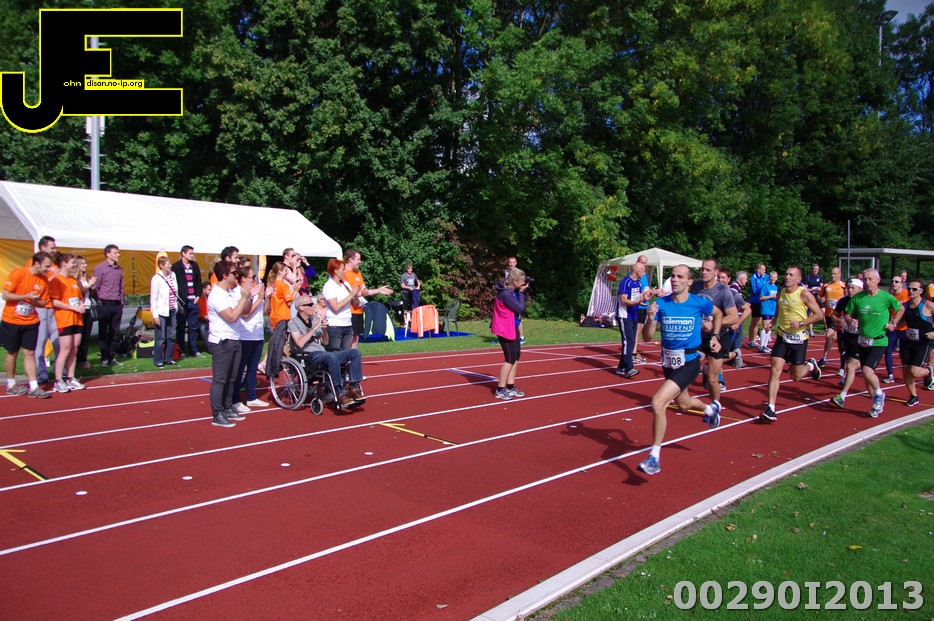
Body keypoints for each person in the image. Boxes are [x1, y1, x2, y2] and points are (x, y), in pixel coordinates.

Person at [637, 264, 724, 476]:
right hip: (669, 362)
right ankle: (711, 410)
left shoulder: (699, 302)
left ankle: (654, 457)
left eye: (680, 277)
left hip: (690, 361)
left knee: (658, 403)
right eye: (673, 276)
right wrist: (650, 319)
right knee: (683, 404)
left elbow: (719, 314)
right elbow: (647, 338)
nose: (675, 280)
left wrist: (715, 336)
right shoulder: (661, 304)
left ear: (689, 282)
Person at [831, 269, 901, 418]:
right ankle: (876, 404)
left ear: (878, 280)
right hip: (862, 340)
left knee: (867, 370)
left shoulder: (886, 297)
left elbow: (900, 308)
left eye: (870, 279)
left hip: (879, 340)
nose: (867, 282)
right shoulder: (858, 298)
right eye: (865, 279)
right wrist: (849, 320)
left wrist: (893, 322)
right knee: (866, 374)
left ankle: (879, 394)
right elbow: (847, 314)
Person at [759, 266, 823, 423]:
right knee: (775, 371)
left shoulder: (804, 294)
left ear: (798, 279)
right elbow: (779, 310)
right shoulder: (781, 292)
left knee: (796, 377)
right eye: (786, 274)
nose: (787, 277)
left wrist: (801, 323)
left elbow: (819, 315)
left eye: (791, 275)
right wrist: (773, 322)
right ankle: (771, 408)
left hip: (799, 338)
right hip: (782, 336)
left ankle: (811, 365)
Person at [288, 294, 365, 407]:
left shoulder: (314, 319)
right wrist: (314, 328)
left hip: (322, 352)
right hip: (308, 355)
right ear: (301, 308)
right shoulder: (293, 323)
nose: (313, 306)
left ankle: (352, 388)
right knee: (331, 356)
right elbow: (299, 343)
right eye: (310, 304)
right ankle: (339, 392)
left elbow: (325, 342)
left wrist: (324, 330)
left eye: (313, 304)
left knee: (355, 353)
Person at [206, 261, 256, 428]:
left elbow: (245, 311)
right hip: (222, 340)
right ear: (225, 275)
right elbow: (232, 316)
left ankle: (227, 407)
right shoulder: (217, 295)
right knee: (220, 379)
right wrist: (243, 297)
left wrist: (247, 295)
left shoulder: (229, 293)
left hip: (234, 338)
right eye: (234, 273)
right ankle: (217, 413)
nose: (236, 275)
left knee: (232, 378)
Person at [2, 252, 53, 398]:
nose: (49, 269)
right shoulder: (19, 273)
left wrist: (34, 301)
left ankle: (34, 386)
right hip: (12, 320)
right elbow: (6, 295)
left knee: (30, 352)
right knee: (12, 352)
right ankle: (11, 384)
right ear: (36, 264)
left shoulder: (43, 280)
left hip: (31, 321)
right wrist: (25, 296)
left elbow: (44, 302)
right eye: (46, 266)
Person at [691, 258, 738, 404]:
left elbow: (734, 317)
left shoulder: (723, 291)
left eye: (708, 270)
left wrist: (713, 323)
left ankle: (715, 405)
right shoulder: (696, 287)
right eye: (702, 269)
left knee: (712, 378)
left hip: (717, 337)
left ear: (716, 272)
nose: (704, 272)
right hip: (698, 336)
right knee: (688, 366)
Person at [47, 253, 86, 393]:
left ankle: (71, 377)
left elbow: (78, 298)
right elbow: (54, 301)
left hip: (77, 318)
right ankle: (58, 380)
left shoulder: (73, 280)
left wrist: (80, 306)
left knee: (74, 348)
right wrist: (72, 307)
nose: (75, 265)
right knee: (65, 349)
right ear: (64, 263)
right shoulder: (56, 280)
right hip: (64, 319)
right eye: (72, 263)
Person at [232, 265, 269, 413]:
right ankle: (235, 400)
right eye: (252, 277)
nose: (254, 280)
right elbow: (245, 314)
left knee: (253, 368)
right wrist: (258, 298)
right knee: (240, 368)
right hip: (245, 334)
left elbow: (265, 311)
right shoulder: (237, 293)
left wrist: (266, 297)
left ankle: (252, 396)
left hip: (257, 334)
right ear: (243, 279)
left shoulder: (255, 291)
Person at [892, 279, 934, 406]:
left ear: (921, 291)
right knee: (906, 370)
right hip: (909, 342)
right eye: (909, 288)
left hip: (923, 342)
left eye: (914, 289)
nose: (911, 291)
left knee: (914, 371)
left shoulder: (927, 305)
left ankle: (929, 371)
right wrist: (892, 324)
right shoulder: (905, 306)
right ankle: (913, 396)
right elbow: (900, 322)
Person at [343, 248, 393, 348]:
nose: (360, 262)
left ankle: (353, 357)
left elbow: (364, 291)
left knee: (355, 339)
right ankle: (345, 357)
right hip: (347, 311)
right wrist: (359, 293)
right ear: (350, 259)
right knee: (347, 339)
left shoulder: (358, 274)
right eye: (358, 259)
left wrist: (379, 290)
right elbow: (346, 293)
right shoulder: (343, 273)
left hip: (358, 311)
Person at [491, 267, 529, 400]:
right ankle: (500, 389)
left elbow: (521, 304)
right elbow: (520, 308)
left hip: (512, 326)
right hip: (504, 328)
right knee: (509, 358)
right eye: (522, 281)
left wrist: (523, 292)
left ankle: (510, 386)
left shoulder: (511, 291)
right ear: (515, 281)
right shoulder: (506, 294)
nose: (524, 283)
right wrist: (522, 294)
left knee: (516, 356)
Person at [615, 259, 649, 378]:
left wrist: (649, 295)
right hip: (625, 315)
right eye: (643, 271)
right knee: (627, 341)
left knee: (631, 341)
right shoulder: (626, 282)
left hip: (634, 314)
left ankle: (621, 367)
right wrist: (636, 303)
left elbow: (641, 296)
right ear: (638, 271)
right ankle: (629, 368)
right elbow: (624, 300)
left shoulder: (638, 283)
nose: (644, 273)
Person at [92, 244, 124, 367]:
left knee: (114, 332)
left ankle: (112, 356)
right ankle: (104, 358)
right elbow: (96, 286)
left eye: (118, 252)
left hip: (117, 303)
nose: (118, 255)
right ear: (108, 254)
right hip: (105, 303)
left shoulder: (119, 269)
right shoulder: (100, 268)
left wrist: (121, 300)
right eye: (115, 253)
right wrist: (99, 301)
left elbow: (121, 286)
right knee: (103, 331)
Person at [32, 235, 59, 383]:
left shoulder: (54, 264)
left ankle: (59, 371)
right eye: (52, 247)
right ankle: (40, 373)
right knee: (40, 342)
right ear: (42, 248)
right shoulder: (35, 264)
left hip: (54, 307)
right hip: (42, 307)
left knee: (58, 341)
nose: (54, 250)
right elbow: (35, 284)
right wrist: (52, 277)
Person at [171, 245, 204, 359]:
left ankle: (194, 350)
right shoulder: (176, 266)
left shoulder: (195, 265)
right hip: (182, 302)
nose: (192, 255)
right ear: (183, 253)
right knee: (180, 327)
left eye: (192, 253)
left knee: (193, 327)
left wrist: (198, 295)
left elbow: (198, 281)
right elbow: (174, 284)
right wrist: (179, 299)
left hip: (193, 300)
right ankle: (181, 350)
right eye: (190, 253)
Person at [322, 258, 361, 351]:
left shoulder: (345, 284)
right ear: (335, 271)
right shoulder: (329, 286)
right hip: (335, 325)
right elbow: (335, 307)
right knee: (335, 353)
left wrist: (355, 295)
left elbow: (355, 304)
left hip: (347, 323)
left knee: (346, 353)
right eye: (343, 269)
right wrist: (351, 295)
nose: (345, 272)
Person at [150, 256, 180, 369]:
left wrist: (175, 306)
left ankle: (169, 358)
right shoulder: (156, 279)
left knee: (171, 336)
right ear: (161, 265)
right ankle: (158, 359)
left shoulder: (173, 275)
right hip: (161, 311)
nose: (170, 265)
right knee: (160, 337)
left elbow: (175, 291)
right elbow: (153, 299)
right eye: (168, 264)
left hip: (172, 309)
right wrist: (155, 315)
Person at [719, 270, 750, 368]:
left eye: (723, 278)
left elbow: (747, 309)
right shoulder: (712, 292)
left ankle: (735, 354)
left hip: (727, 328)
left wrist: (737, 323)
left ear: (728, 279)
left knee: (718, 358)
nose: (720, 280)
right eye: (718, 277)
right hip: (715, 328)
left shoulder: (732, 292)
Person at [882, 275, 909, 384]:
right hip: (893, 328)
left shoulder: (907, 294)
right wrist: (889, 322)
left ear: (902, 283)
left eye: (896, 281)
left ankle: (907, 374)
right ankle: (890, 375)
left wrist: (905, 320)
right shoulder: (889, 296)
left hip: (905, 328)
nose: (894, 283)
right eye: (892, 281)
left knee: (904, 353)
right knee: (888, 350)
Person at [818, 266, 846, 369]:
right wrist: (821, 299)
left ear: (839, 275)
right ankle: (824, 357)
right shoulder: (826, 285)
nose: (832, 275)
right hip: (829, 315)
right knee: (830, 337)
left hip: (838, 315)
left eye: (834, 274)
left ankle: (826, 358)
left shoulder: (844, 286)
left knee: (829, 334)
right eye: (831, 273)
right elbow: (819, 296)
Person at [74, 256, 96, 370]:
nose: (85, 265)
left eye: (86, 263)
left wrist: (93, 286)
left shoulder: (87, 277)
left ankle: (84, 359)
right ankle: (77, 360)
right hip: (79, 309)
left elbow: (91, 292)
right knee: (79, 336)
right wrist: (89, 284)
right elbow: (81, 290)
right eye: (82, 264)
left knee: (86, 337)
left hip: (88, 308)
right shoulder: (75, 278)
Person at [266, 261, 298, 330]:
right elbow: (289, 303)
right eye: (286, 270)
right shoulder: (283, 285)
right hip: (283, 317)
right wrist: (296, 290)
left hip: (274, 316)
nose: (287, 272)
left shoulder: (272, 284)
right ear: (280, 271)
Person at [746, 262, 768, 348]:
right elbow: (755, 290)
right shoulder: (753, 278)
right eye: (763, 270)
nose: (764, 271)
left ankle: (754, 339)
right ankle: (751, 340)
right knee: (755, 321)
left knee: (759, 322)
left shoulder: (765, 277)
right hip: (756, 301)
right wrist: (764, 289)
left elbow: (771, 282)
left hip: (763, 302)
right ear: (759, 270)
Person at [757, 271, 779, 352]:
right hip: (766, 308)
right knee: (766, 327)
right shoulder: (765, 286)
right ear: (769, 278)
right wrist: (771, 296)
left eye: (774, 277)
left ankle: (765, 345)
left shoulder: (776, 287)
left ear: (777, 278)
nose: (773, 279)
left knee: (770, 327)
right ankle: (761, 346)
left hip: (773, 308)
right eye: (771, 277)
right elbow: (761, 297)